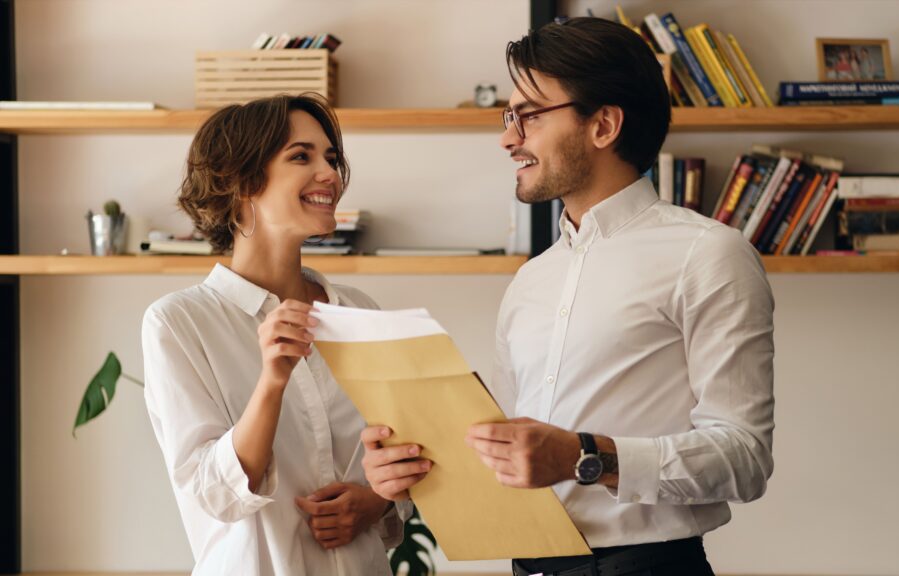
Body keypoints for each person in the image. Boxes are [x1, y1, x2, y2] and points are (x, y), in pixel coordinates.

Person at [362, 17, 775, 576]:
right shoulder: (531, 280)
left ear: (603, 125)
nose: (508, 138)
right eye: (509, 117)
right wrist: (405, 477)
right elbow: (511, 457)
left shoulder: (708, 255)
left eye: (529, 115)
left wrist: (587, 456)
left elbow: (744, 458)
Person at [142, 94, 408, 575]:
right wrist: (271, 382)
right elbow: (212, 494)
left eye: (331, 158)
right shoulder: (179, 323)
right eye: (301, 156)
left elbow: (400, 466)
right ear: (241, 181)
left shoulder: (359, 311)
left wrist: (379, 503)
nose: (330, 173)